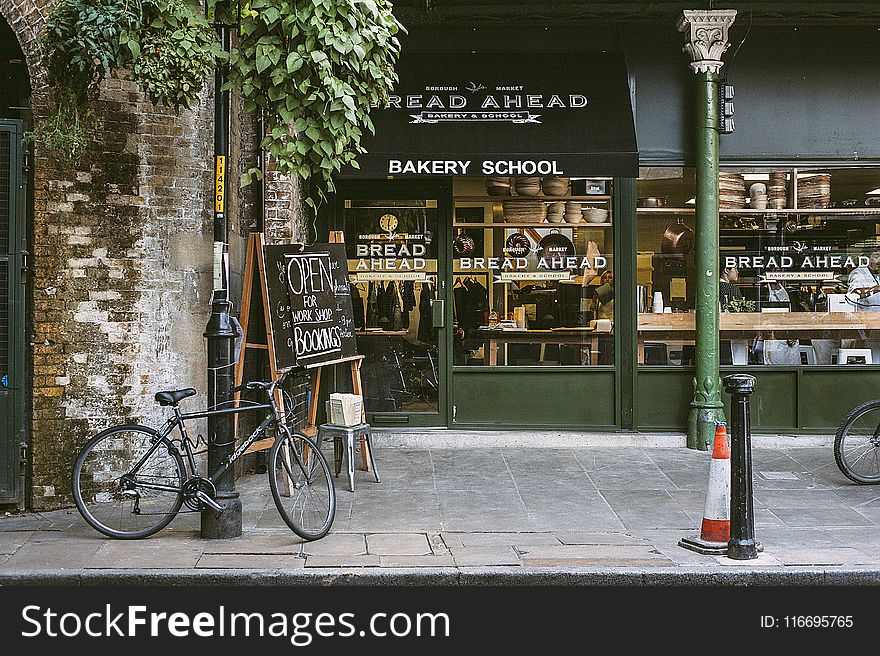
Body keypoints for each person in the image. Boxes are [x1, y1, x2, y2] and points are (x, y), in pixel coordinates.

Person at [847, 247, 880, 312]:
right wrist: (876, 289)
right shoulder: (858, 273)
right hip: (865, 317)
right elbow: (853, 294)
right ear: (867, 258)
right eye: (876, 256)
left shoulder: (877, 273)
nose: (879, 260)